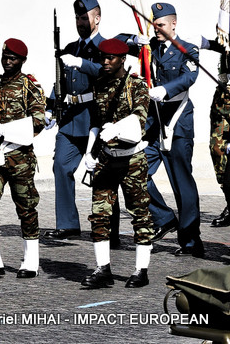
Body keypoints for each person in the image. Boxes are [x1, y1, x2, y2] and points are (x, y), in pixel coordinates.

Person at [128, 3, 202, 256]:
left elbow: (189, 77)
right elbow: (113, 43)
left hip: (177, 123)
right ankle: (163, 217)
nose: (155, 30)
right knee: (135, 171)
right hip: (154, 125)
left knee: (182, 184)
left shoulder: (187, 49)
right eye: (153, 25)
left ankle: (191, 240)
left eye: (160, 25)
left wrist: (166, 90)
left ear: (173, 24)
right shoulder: (150, 47)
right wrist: (132, 38)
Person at [79, 38, 153, 289]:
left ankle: (141, 270)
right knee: (99, 215)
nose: (105, 62)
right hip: (107, 159)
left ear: (123, 59)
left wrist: (117, 130)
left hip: (132, 158)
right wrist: (89, 153)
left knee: (139, 214)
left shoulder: (136, 85)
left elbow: (139, 120)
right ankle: (103, 270)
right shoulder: (99, 84)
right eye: (103, 58)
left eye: (111, 58)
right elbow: (97, 122)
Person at [46, 0, 119, 242]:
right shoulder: (69, 48)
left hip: (93, 119)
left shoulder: (105, 48)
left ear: (96, 18)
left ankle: (111, 229)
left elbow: (105, 73)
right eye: (77, 17)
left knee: (102, 175)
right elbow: (59, 82)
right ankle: (67, 224)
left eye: (84, 17)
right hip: (69, 120)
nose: (80, 22)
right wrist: (49, 107)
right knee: (61, 167)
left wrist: (81, 63)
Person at [0, 38, 46, 279]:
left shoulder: (28, 86)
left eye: (13, 58)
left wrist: (5, 131)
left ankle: (31, 260)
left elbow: (39, 120)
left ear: (22, 61)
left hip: (19, 156)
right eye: (5, 57)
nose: (8, 62)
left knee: (26, 208)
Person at [202, 36, 230, 227]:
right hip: (224, 98)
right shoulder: (225, 40)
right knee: (217, 151)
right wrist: (202, 42)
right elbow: (217, 43)